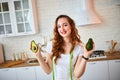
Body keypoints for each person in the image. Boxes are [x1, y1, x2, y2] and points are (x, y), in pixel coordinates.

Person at [32, 15, 95, 80]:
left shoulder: (79, 47)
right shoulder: (51, 45)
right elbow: (48, 70)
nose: (62, 29)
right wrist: (38, 55)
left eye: (65, 25)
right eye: (59, 26)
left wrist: (86, 56)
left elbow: (77, 74)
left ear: (71, 26)